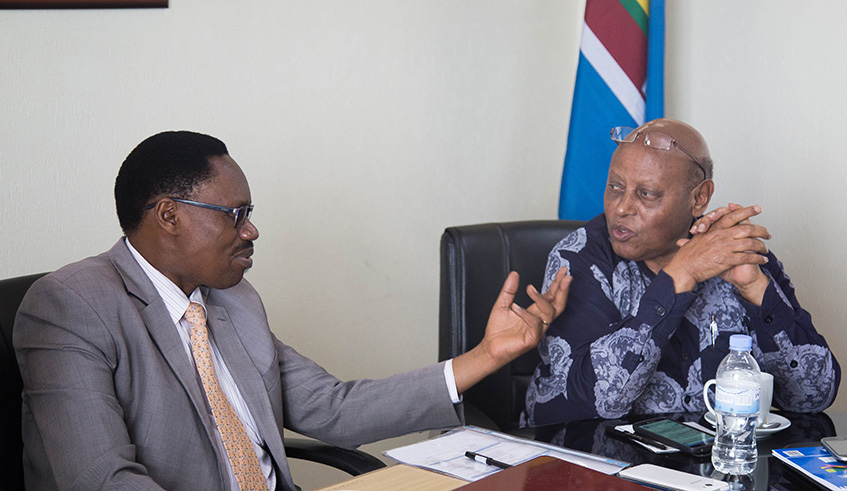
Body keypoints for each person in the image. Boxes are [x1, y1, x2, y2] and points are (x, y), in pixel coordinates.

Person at [13, 131, 571, 491]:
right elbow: (101, 478)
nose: (252, 230)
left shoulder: (231, 301)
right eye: (234, 214)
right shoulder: (71, 306)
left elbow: (334, 409)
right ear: (168, 216)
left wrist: (486, 355)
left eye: (249, 212)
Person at [523, 118, 839, 427]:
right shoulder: (579, 259)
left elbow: (812, 398)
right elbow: (597, 402)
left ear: (699, 198)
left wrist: (755, 288)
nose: (621, 208)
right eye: (615, 187)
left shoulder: (735, 251)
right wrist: (680, 275)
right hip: (593, 465)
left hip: (712, 465)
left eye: (646, 194)